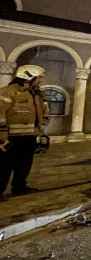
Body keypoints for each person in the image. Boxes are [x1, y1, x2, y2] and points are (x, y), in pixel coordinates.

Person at [0, 65, 49, 199]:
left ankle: (20, 187)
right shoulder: (8, 92)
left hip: (29, 136)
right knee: (4, 166)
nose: (40, 80)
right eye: (38, 78)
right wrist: (2, 134)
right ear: (28, 77)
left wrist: (45, 119)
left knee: (24, 164)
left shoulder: (36, 93)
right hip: (10, 136)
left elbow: (43, 107)